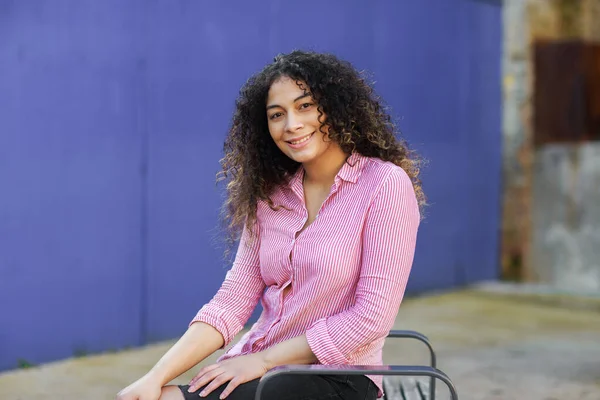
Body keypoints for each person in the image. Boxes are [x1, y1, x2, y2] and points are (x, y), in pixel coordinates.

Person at [116, 50, 425, 400]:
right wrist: (154, 377)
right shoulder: (270, 197)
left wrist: (263, 361)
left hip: (338, 378)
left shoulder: (385, 185)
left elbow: (370, 317)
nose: (291, 124)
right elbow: (230, 303)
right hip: (264, 372)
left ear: (338, 107)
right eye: (277, 115)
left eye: (305, 106)